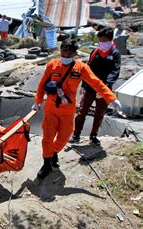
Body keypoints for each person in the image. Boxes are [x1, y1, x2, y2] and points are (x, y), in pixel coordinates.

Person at [32, 39, 121, 179]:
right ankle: (46, 163)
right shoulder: (52, 65)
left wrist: (112, 98)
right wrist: (37, 101)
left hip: (68, 109)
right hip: (51, 107)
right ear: (60, 51)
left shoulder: (81, 68)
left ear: (75, 54)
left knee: (64, 137)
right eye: (63, 54)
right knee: (47, 137)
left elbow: (96, 83)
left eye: (69, 55)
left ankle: (54, 151)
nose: (65, 57)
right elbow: (42, 83)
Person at [71, 27, 121, 145]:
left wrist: (105, 88)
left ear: (109, 40)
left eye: (103, 41)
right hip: (90, 87)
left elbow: (115, 71)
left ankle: (93, 136)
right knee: (82, 111)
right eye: (100, 41)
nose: (101, 43)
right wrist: (83, 85)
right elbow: (87, 69)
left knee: (99, 113)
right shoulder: (95, 52)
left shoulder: (115, 54)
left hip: (104, 89)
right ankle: (76, 135)